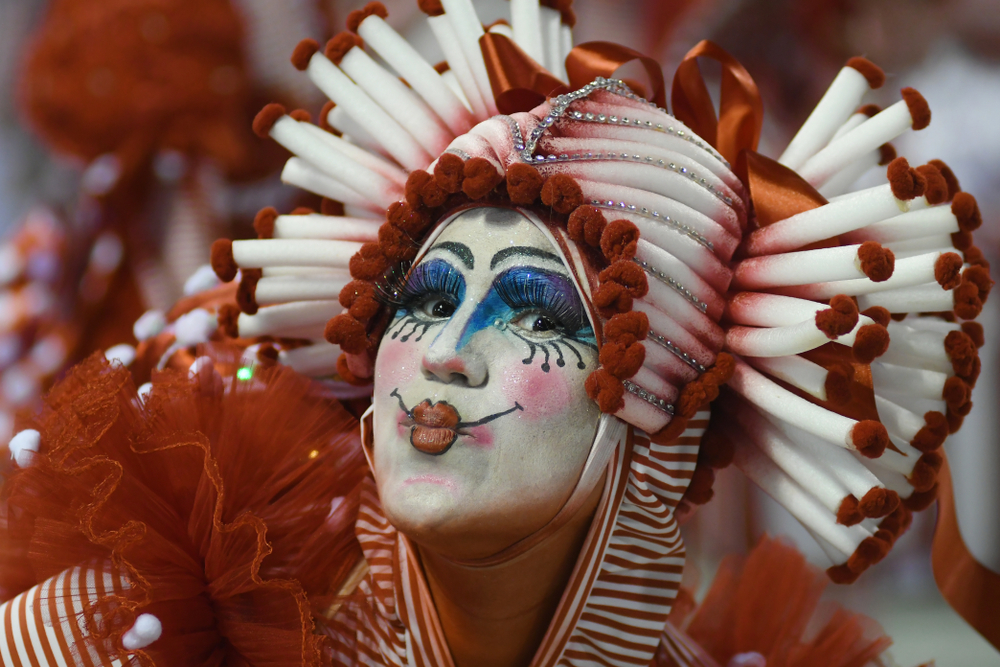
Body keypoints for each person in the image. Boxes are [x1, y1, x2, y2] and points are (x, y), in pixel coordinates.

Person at [0, 1, 993, 665]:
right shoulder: (127, 633)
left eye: (534, 310)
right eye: (424, 296)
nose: (443, 350)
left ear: (659, 411)